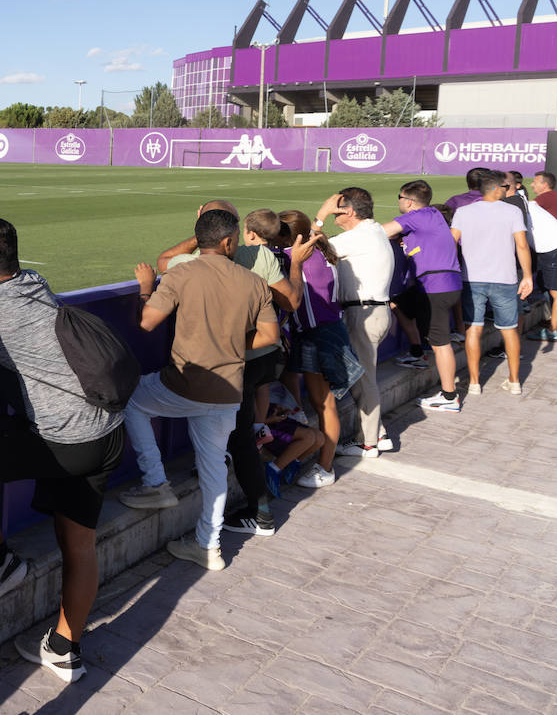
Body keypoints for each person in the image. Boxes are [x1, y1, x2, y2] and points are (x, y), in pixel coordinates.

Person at [0, 218, 125, 684]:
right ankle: (64, 648)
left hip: (65, 439)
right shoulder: (36, 282)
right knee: (80, 545)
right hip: (107, 430)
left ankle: (0, 561)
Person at [121, 209, 279, 571]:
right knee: (213, 469)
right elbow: (270, 336)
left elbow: (146, 322)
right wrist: (229, 345)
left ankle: (156, 483)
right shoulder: (254, 282)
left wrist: (146, 287)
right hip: (228, 392)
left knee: (133, 400)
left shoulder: (181, 272)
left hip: (184, 383)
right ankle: (208, 546)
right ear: (227, 242)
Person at [155, 201, 311, 537]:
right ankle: (249, 499)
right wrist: (296, 265)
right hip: (261, 358)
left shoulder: (193, 261)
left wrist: (198, 236)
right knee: (236, 431)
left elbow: (162, 262)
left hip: (221, 362)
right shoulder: (261, 257)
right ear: (235, 232)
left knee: (235, 438)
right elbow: (291, 301)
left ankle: (252, 515)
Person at [277, 210, 361, 488]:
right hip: (328, 331)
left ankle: (325, 467)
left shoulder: (292, 257)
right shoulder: (324, 250)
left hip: (317, 336)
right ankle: (311, 447)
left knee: (325, 405)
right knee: (324, 403)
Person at [315, 188, 395, 458]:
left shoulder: (359, 236)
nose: (334, 213)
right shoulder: (373, 231)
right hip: (372, 310)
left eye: (337, 209)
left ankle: (369, 443)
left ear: (349, 212)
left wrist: (320, 216)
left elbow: (316, 249)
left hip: (363, 313)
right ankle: (378, 434)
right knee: (363, 376)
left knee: (362, 379)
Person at [383, 181, 465, 411]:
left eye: (399, 197)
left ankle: (449, 397)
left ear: (408, 201)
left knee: (441, 344)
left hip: (436, 286)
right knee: (398, 303)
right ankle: (417, 353)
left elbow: (378, 232)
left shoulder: (416, 216)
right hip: (437, 284)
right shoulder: (432, 215)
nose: (398, 201)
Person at [451, 171, 533, 396]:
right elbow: (522, 245)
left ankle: (475, 383)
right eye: (505, 187)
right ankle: (514, 381)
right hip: (505, 279)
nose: (507, 190)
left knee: (473, 329)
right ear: (496, 188)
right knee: (509, 330)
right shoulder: (512, 211)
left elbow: (452, 243)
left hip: (472, 278)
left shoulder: (464, 212)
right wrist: (527, 275)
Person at [527, 172, 557, 342]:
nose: (532, 185)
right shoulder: (554, 197)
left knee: (554, 291)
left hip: (551, 249)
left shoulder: (541, 201)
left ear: (545, 185)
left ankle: (554, 329)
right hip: (551, 248)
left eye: (535, 182)